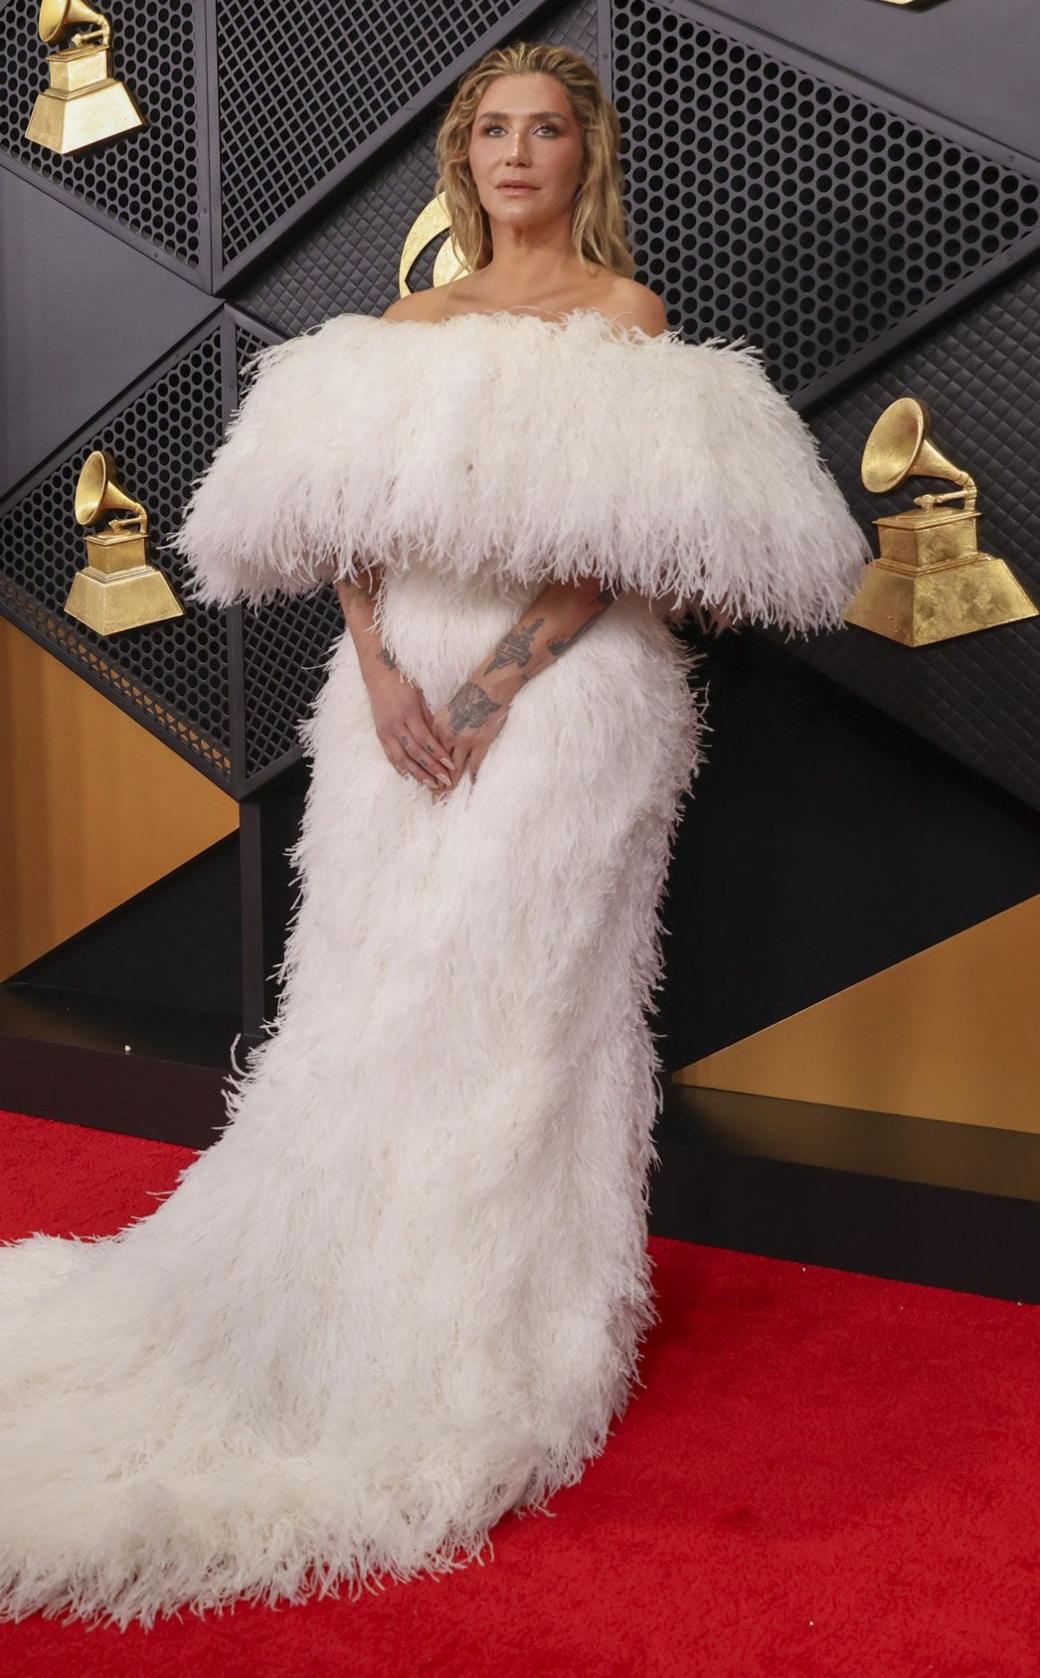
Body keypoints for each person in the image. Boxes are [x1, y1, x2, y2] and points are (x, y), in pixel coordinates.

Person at [0, 42, 870, 1629]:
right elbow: (345, 522)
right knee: (372, 1001)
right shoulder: (404, 325)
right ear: (462, 160)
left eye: (545, 131)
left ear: (581, 155)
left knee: (524, 1013)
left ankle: (490, 1334)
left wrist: (492, 691)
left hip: (565, 702)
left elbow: (617, 547)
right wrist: (390, 673)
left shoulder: (629, 323)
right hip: (393, 700)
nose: (517, 155)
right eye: (493, 132)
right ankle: (343, 1299)